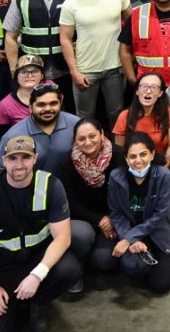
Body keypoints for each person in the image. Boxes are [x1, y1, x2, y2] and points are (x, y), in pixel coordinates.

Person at [0, 134, 80, 332]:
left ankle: (38, 303)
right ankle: (15, 301)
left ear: (35, 159)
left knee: (69, 270)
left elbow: (62, 237)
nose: (19, 165)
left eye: (25, 158)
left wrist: (37, 275)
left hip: (37, 257)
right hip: (2, 266)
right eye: (12, 158)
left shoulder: (51, 185)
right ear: (3, 160)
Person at [89, 132, 170, 295]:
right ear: (126, 158)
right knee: (114, 262)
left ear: (152, 154)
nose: (138, 161)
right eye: (132, 156)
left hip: (160, 230)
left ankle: (160, 256)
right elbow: (116, 213)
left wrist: (129, 239)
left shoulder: (163, 175)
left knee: (159, 285)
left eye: (143, 154)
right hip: (130, 229)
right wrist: (130, 238)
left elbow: (159, 215)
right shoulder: (116, 177)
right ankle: (139, 260)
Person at [59, 0, 131, 127]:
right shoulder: (71, 3)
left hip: (115, 67)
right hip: (86, 70)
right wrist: (74, 72)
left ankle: (117, 151)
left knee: (117, 114)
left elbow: (131, 23)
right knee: (84, 117)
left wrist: (130, 55)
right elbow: (65, 39)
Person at [2, 0, 71, 113]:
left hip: (66, 68)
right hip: (33, 71)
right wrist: (14, 69)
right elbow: (10, 37)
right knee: (35, 111)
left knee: (67, 111)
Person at [53, 119, 118, 280]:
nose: (88, 142)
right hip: (81, 218)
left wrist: (111, 218)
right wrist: (99, 219)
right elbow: (67, 200)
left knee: (104, 260)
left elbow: (124, 195)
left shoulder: (119, 155)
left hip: (112, 217)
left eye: (92, 136)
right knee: (82, 235)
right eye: (81, 139)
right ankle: (76, 266)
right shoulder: (65, 163)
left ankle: (90, 258)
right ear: (75, 140)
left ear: (102, 134)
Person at [0, 83, 81, 175]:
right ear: (31, 108)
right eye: (41, 105)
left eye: (53, 103)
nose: (48, 109)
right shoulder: (13, 135)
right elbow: (1, 170)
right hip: (33, 187)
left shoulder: (76, 124)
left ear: (60, 104)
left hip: (72, 186)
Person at [114, 73, 170, 166]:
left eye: (154, 87)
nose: (148, 91)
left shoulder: (168, 112)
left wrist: (164, 168)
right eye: (144, 87)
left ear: (160, 93)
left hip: (161, 164)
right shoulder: (124, 116)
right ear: (137, 91)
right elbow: (120, 150)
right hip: (133, 166)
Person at [0, 56, 46, 141]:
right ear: (16, 76)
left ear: (42, 76)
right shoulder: (5, 105)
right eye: (24, 72)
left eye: (35, 71)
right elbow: (2, 138)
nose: (30, 75)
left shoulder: (52, 93)